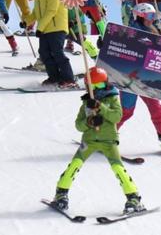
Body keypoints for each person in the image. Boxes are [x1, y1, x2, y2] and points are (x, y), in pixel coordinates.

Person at [51, 67, 145, 214]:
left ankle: (133, 197)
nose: (97, 90)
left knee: (118, 168)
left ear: (106, 84)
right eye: (93, 87)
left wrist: (100, 107)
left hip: (108, 141)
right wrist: (89, 122)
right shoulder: (86, 103)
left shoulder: (113, 98)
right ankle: (61, 194)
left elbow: (116, 117)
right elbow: (78, 125)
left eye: (100, 86)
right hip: (89, 141)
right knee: (74, 165)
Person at [119, 3, 161, 154]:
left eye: (153, 16)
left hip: (147, 77)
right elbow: (119, 48)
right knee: (126, 111)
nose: (152, 19)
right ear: (140, 16)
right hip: (130, 76)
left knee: (156, 109)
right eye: (150, 16)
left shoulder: (155, 31)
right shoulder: (131, 31)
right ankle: (106, 135)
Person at [21, 0, 77, 89]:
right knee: (44, 52)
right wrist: (26, 22)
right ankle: (54, 77)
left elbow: (52, 10)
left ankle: (69, 79)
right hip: (46, 28)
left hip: (56, 26)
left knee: (57, 52)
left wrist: (39, 28)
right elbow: (36, 12)